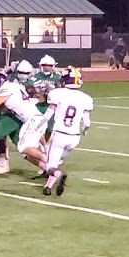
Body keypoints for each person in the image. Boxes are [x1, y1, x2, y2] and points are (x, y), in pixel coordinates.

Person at [40, 67, 93, 197]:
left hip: (59, 134)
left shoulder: (57, 93)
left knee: (49, 165)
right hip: (74, 137)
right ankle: (48, 186)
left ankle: (59, 175)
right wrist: (84, 131)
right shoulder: (86, 98)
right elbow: (86, 123)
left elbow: (47, 115)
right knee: (56, 161)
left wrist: (37, 127)